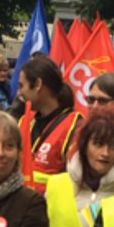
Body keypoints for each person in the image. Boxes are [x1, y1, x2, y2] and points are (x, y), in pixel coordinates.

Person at [17, 55, 82, 193]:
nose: (19, 93)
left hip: (51, 203)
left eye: (21, 86)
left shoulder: (75, 126)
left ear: (38, 85)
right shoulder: (24, 121)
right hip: (21, 201)